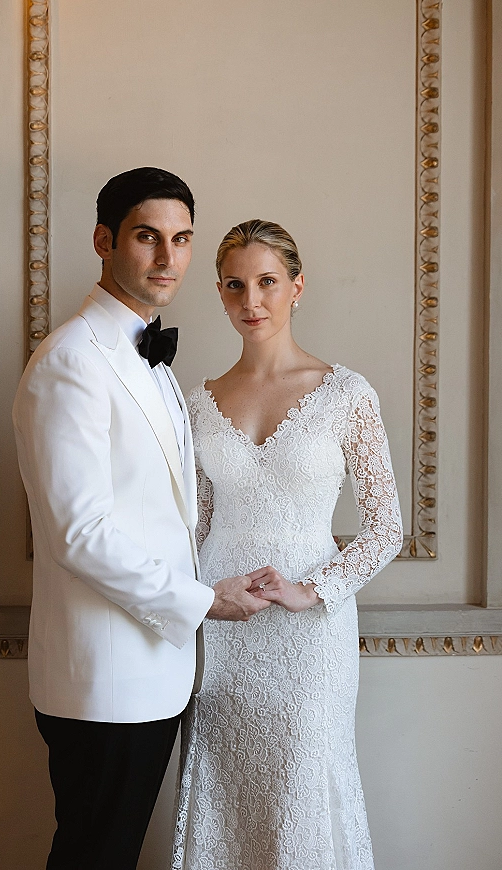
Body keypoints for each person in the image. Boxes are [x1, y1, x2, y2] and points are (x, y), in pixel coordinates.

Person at [12, 169, 270, 870]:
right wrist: (202, 600)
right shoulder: (71, 361)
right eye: (148, 237)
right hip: (105, 675)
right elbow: (78, 533)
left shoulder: (147, 353)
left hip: (152, 669)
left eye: (182, 240)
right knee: (96, 856)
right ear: (104, 240)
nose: (167, 259)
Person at [171, 219, 403, 870]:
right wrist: (196, 602)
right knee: (222, 786)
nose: (252, 301)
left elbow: (387, 525)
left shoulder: (347, 395)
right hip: (220, 634)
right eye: (236, 285)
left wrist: (316, 588)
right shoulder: (199, 402)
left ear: (297, 287)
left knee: (303, 781)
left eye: (268, 282)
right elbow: (195, 529)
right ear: (219, 293)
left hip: (309, 638)